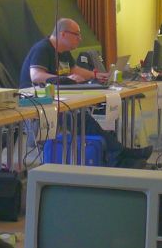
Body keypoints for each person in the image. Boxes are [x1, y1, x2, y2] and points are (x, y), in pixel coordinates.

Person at [21, 20, 149, 167]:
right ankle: (120, 155)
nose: (80, 38)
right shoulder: (42, 49)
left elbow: (74, 70)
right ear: (63, 34)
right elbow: (36, 76)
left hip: (58, 101)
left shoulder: (63, 51)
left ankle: (119, 154)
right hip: (38, 105)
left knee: (84, 119)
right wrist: (64, 79)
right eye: (76, 34)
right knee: (82, 120)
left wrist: (96, 75)